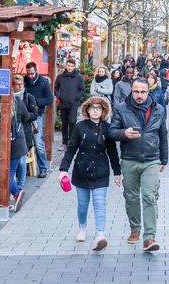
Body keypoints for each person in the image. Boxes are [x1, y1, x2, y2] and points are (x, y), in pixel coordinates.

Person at [108, 78, 168, 252]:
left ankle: (149, 237)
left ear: (148, 92)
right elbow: (111, 133)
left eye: (143, 92)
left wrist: (164, 159)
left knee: (150, 197)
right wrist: (123, 134)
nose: (139, 95)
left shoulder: (159, 109)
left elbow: (163, 135)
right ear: (131, 91)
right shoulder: (121, 108)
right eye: (136, 92)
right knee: (131, 197)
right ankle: (135, 229)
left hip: (151, 159)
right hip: (129, 159)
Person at [59, 97, 121, 251]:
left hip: (101, 170)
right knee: (82, 204)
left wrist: (117, 172)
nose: (95, 110)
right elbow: (71, 148)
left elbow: (112, 151)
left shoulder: (108, 128)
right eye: (92, 107)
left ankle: (100, 234)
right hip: (82, 170)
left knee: (99, 203)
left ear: (103, 111)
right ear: (87, 110)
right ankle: (82, 227)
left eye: (98, 108)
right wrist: (63, 170)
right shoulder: (80, 127)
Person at [24, 62, 54, 178]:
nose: (30, 76)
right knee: (25, 142)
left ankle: (43, 168)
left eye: (32, 73)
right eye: (28, 74)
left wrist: (35, 101)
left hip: (37, 115)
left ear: (36, 71)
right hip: (25, 114)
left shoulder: (43, 82)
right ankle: (25, 167)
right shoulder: (25, 80)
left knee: (38, 142)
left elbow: (50, 99)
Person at [12, 75, 38, 191]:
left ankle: (19, 187)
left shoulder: (28, 97)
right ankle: (13, 186)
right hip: (11, 134)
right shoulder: (7, 97)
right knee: (14, 163)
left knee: (22, 162)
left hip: (24, 133)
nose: (20, 86)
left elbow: (34, 114)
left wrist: (23, 115)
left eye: (22, 84)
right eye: (17, 84)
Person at [54, 59, 85, 152]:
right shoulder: (60, 77)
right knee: (64, 124)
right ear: (66, 66)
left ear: (74, 66)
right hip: (63, 103)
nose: (70, 67)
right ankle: (64, 142)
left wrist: (77, 97)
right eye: (68, 65)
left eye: (71, 66)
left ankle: (72, 141)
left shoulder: (79, 77)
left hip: (73, 103)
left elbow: (81, 89)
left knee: (72, 122)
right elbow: (56, 88)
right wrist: (59, 95)